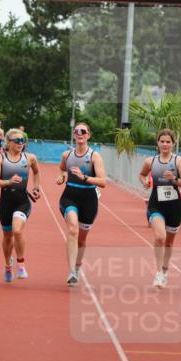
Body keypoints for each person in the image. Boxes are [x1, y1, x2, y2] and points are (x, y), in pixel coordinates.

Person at [56, 121, 107, 286]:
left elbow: (103, 181)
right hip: (69, 196)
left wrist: (85, 177)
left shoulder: (94, 156)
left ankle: (77, 267)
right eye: (77, 131)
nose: (79, 133)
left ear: (88, 135)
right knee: (72, 228)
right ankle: (71, 271)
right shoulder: (67, 155)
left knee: (82, 240)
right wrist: (62, 176)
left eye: (83, 131)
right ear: (74, 135)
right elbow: (62, 168)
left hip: (89, 200)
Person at [139, 128, 181, 288]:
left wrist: (174, 179)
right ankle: (159, 273)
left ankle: (165, 269)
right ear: (157, 143)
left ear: (173, 144)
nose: (165, 144)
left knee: (168, 243)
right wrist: (145, 182)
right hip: (156, 205)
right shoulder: (150, 161)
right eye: (162, 141)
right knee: (160, 237)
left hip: (174, 207)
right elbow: (142, 174)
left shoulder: (178, 162)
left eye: (168, 142)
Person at [0, 127, 41, 282]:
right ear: (9, 142)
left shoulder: (30, 158)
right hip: (5, 202)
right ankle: (8, 265)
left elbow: (37, 172)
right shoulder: (0, 158)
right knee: (7, 236)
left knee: (17, 230)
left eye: (23, 141)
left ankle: (21, 265)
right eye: (17, 140)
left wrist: (36, 188)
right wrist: (8, 181)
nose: (21, 143)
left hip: (22, 201)